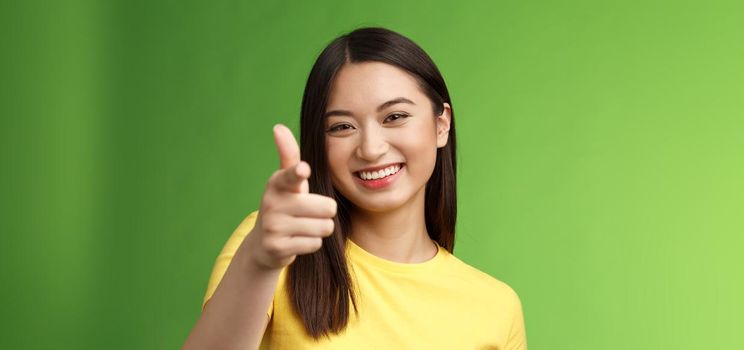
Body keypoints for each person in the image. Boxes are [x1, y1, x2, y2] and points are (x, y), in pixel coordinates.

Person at [182, 27, 526, 349]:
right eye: (342, 126)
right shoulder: (272, 246)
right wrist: (259, 260)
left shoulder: (497, 307)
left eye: (395, 117)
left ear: (441, 124)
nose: (371, 148)